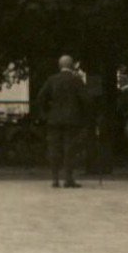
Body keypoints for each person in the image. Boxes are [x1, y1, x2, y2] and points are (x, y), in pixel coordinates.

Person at [39, 55, 89, 189]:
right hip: (72, 119)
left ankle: (55, 179)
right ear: (72, 65)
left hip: (54, 119)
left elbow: (41, 97)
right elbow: (86, 100)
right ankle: (68, 179)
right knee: (69, 149)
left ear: (59, 66)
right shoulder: (76, 80)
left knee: (54, 148)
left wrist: (47, 111)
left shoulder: (52, 80)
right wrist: (83, 115)